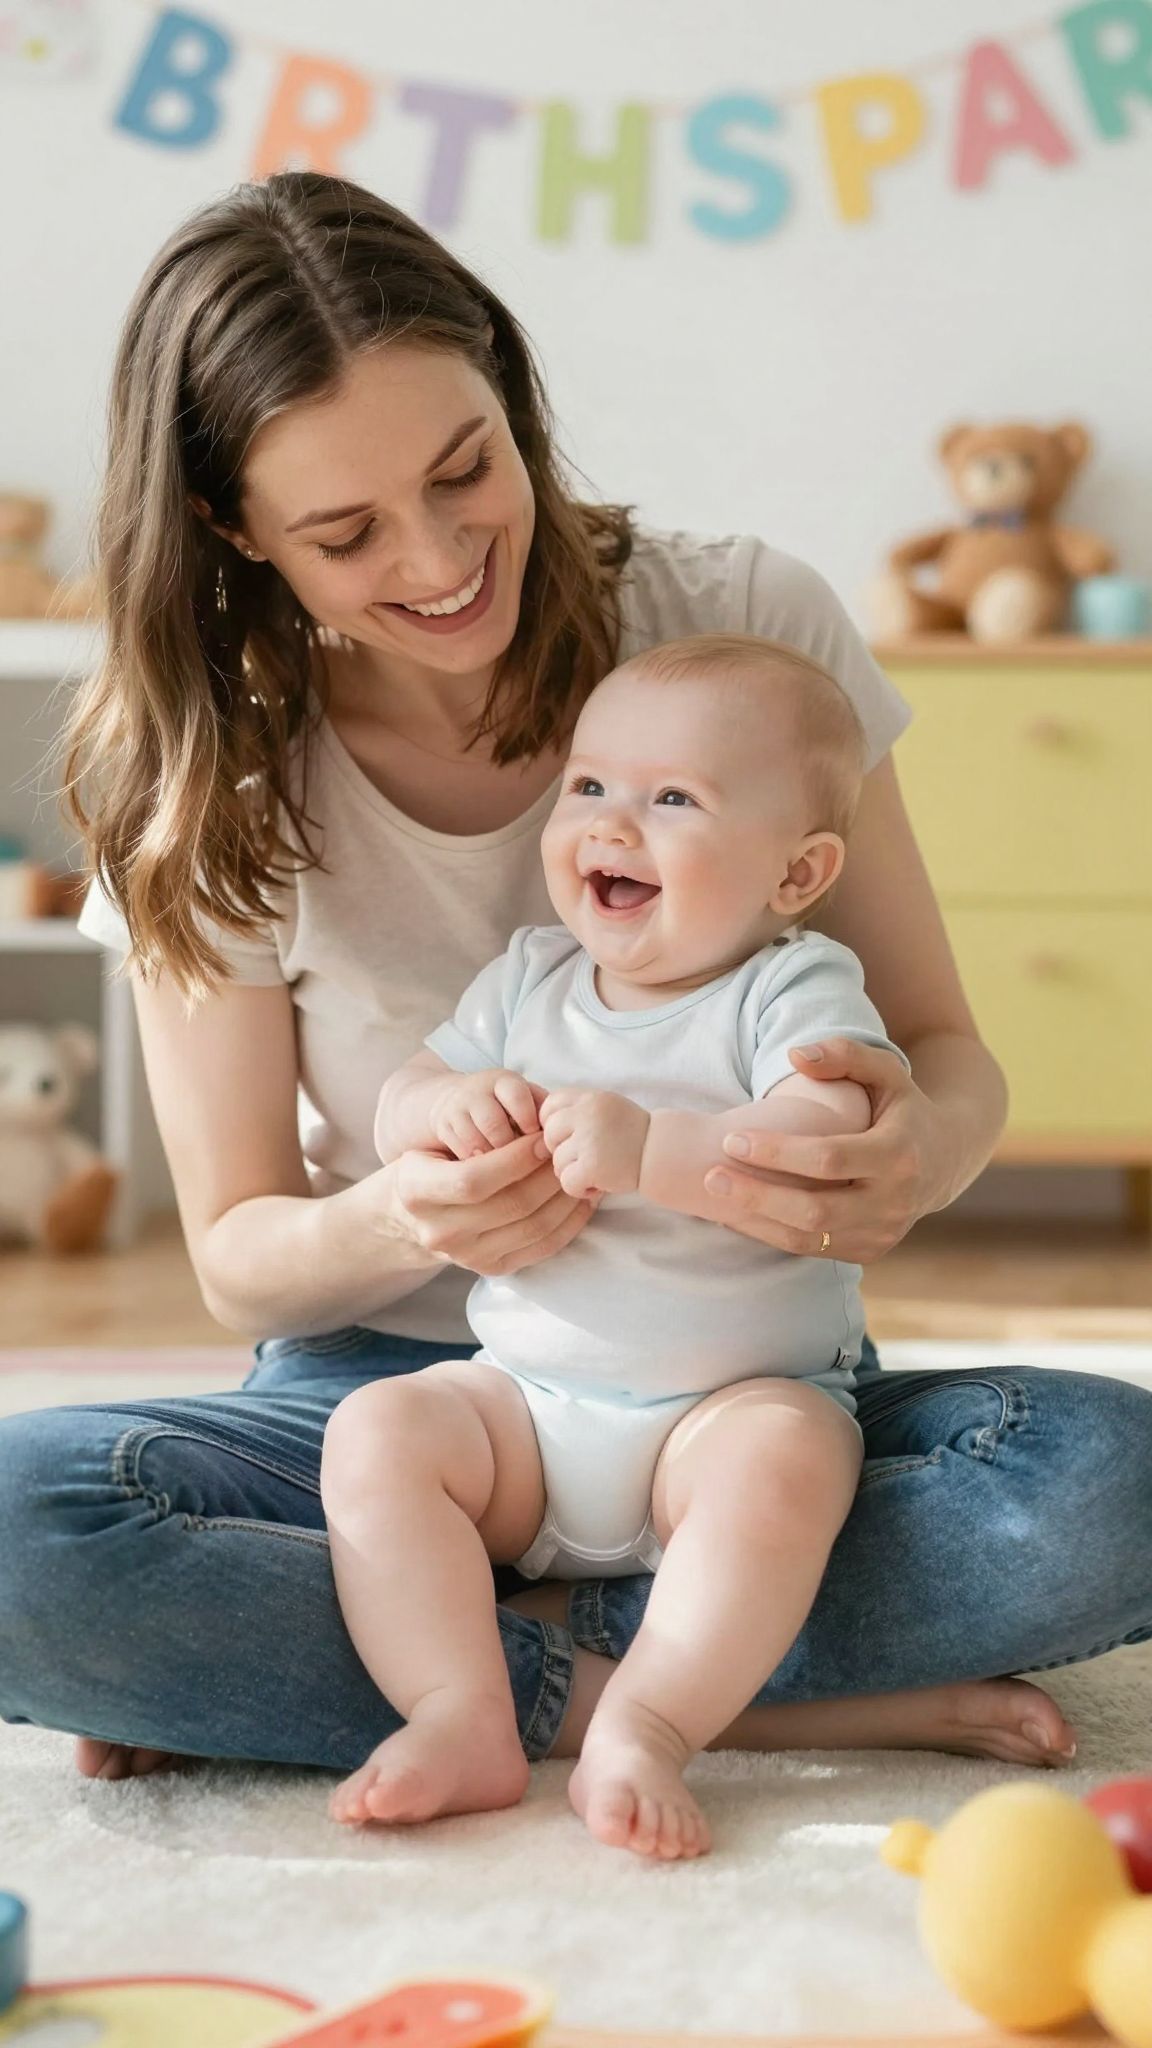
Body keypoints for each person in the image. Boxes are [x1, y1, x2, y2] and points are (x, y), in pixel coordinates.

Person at [1, 171, 1148, 1787]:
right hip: (403, 1389)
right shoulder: (207, 771)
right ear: (229, 526)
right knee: (18, 1533)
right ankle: (702, 1688)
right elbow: (245, 1258)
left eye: (466, 467)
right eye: (345, 532)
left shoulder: (740, 623)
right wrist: (416, 1203)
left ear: (505, 388)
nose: (441, 553)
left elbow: (942, 1054)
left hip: (727, 1386)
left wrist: (903, 1155)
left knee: (1104, 1485)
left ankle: (409, 1665)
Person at [324, 634, 901, 1859]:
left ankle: (646, 1717)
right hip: (524, 1416)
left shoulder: (788, 988)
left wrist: (657, 1153)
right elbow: (406, 1089)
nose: (612, 822)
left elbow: (827, 1121)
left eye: (673, 798)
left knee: (793, 1456)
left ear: (797, 871)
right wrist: (440, 1113)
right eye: (590, 785)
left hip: (718, 1418)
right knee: (376, 1430)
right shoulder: (531, 979)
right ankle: (463, 1706)